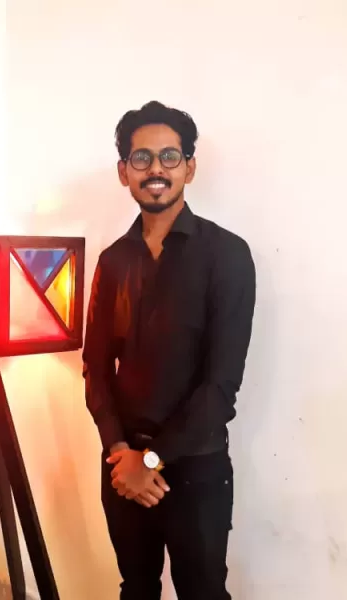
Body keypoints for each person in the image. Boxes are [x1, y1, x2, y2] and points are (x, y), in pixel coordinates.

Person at [82, 101, 256, 600]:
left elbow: (221, 387)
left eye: (169, 156)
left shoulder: (226, 255)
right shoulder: (113, 261)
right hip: (123, 466)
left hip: (195, 467)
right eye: (141, 158)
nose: (155, 168)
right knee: (136, 588)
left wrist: (152, 460)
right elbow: (96, 368)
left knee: (202, 592)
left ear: (189, 168)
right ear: (124, 172)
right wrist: (120, 452)